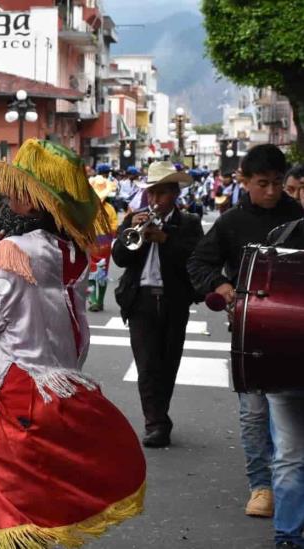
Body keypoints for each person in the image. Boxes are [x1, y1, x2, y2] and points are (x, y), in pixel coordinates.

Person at [0, 139, 145, 549]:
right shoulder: (68, 250)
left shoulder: (13, 251)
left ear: (35, 203)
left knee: (12, 515)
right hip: (59, 385)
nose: (6, 198)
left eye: (16, 191)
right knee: (45, 509)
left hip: (17, 392)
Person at [188, 143, 303, 518]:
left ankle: (287, 485)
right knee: (253, 413)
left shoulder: (299, 219)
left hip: (293, 334)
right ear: (244, 181)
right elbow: (199, 262)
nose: (270, 191)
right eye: (261, 183)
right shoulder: (231, 222)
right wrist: (221, 287)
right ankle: (261, 486)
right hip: (248, 333)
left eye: (276, 183)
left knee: (290, 417)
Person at [112, 161, 203, 449]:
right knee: (147, 365)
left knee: (168, 364)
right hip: (140, 301)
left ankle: (159, 415)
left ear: (175, 193)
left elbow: (196, 261)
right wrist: (132, 231)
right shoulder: (134, 219)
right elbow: (119, 258)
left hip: (174, 302)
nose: (154, 200)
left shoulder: (189, 223)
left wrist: (165, 240)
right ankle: (156, 423)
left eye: (161, 194)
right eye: (151, 194)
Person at [263, 219, 304, 549]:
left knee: (289, 456)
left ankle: (288, 537)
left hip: (284, 356)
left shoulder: (282, 235)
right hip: (287, 363)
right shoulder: (283, 235)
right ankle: (288, 536)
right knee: (289, 455)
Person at [88, 176, 118, 312]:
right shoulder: (88, 208)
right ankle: (94, 300)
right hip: (90, 243)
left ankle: (99, 301)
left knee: (102, 274)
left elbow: (114, 226)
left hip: (104, 245)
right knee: (91, 272)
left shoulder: (109, 208)